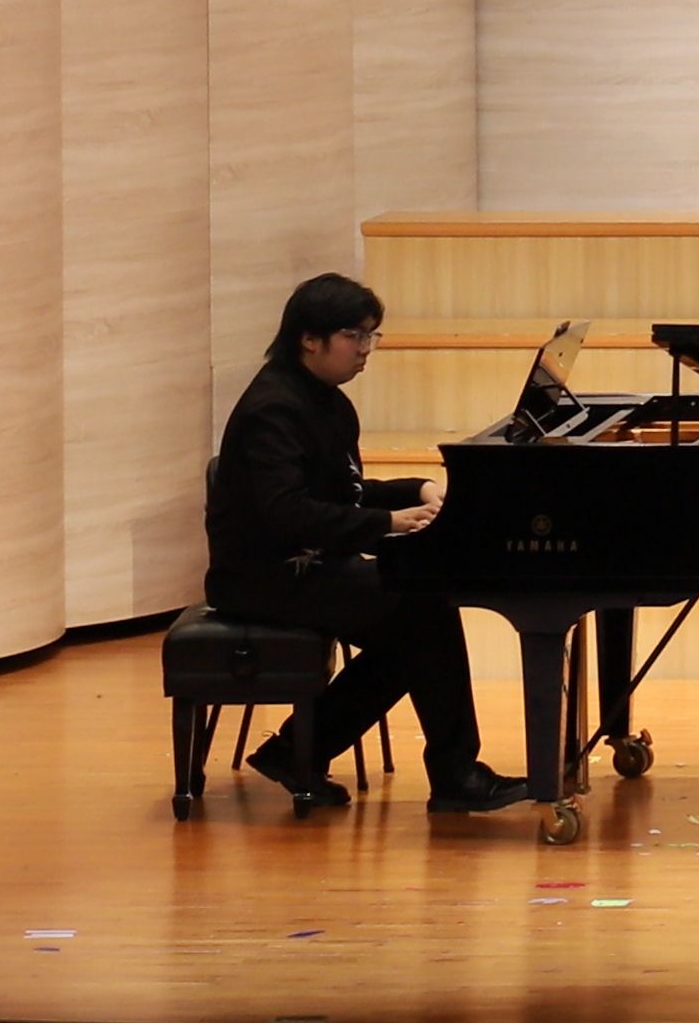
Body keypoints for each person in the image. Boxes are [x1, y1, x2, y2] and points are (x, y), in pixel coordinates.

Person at [206, 274, 530, 811]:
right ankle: (453, 775)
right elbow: (288, 514)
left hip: (306, 565)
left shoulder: (326, 402)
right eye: (354, 336)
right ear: (310, 339)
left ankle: (298, 751)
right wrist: (390, 524)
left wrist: (415, 489)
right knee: (422, 608)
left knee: (416, 625)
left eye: (370, 336)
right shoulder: (274, 409)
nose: (365, 349)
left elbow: (344, 493)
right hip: (263, 577)